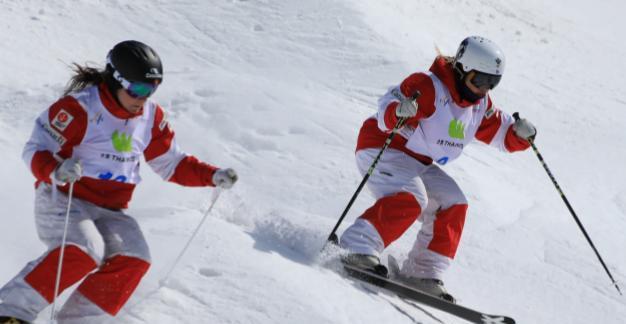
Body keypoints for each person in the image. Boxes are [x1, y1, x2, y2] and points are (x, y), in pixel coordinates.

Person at [0, 40, 238, 323]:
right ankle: (9, 311)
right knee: (85, 250)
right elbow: (34, 149)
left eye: (151, 89)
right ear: (116, 80)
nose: (143, 97)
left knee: (135, 258)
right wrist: (56, 169)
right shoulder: (79, 109)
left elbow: (171, 163)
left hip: (110, 210)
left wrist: (211, 176)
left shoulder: (150, 117)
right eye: (137, 89)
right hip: (64, 198)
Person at [339, 36, 536, 302]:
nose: (483, 89)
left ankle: (422, 272)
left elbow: (501, 133)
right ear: (463, 69)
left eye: (492, 83)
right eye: (479, 81)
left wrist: (520, 134)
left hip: (416, 162)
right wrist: (399, 111)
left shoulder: (479, 106)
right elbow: (387, 109)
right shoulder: (429, 86)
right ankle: (356, 248)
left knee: (453, 203)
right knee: (412, 199)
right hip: (382, 148)